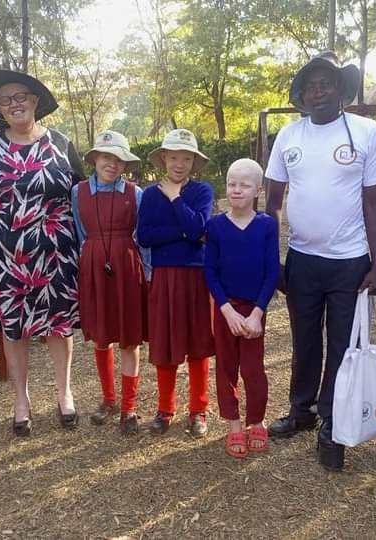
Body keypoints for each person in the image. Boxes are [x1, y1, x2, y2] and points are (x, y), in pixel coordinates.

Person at [264, 51, 376, 471]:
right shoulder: (288, 136)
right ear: (301, 95)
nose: (317, 92)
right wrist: (273, 259)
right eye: (310, 86)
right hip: (302, 259)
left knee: (342, 345)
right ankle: (301, 411)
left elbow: (374, 202)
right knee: (304, 340)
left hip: (350, 262)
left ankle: (332, 424)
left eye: (326, 84)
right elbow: (274, 203)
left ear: (341, 90)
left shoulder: (366, 132)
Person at [0, 69, 85, 436]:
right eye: (6, 100)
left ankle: (64, 392)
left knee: (59, 325)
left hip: (56, 253)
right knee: (13, 329)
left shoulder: (63, 144)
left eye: (21, 96)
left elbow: (81, 196)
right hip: (5, 256)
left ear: (35, 101)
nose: (14, 104)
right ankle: (21, 400)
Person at [137, 129, 215, 437]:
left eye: (186, 158)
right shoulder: (150, 194)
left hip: (196, 275)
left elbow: (198, 229)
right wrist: (183, 229)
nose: (179, 164)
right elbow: (145, 236)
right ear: (164, 160)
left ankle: (198, 409)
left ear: (193, 162)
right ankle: (165, 408)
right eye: (173, 157)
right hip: (165, 276)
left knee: (198, 344)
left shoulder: (202, 191)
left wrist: (176, 198)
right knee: (165, 343)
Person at [72, 130, 149, 435]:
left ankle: (129, 407)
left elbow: (143, 239)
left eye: (118, 159)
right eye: (106, 157)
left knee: (129, 338)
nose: (111, 164)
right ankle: (108, 398)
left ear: (125, 164)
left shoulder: (135, 193)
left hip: (127, 266)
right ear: (95, 159)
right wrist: (87, 261)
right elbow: (79, 231)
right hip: (93, 264)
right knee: (102, 336)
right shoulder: (78, 192)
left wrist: (148, 273)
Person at [204, 158, 279, 458]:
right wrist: (226, 310)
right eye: (232, 184)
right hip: (226, 311)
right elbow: (210, 271)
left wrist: (258, 313)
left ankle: (256, 420)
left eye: (244, 185)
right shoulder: (216, 226)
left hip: (253, 313)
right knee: (226, 367)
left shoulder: (266, 226)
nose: (236, 190)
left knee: (253, 369)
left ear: (258, 189)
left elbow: (272, 271)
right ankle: (234, 424)